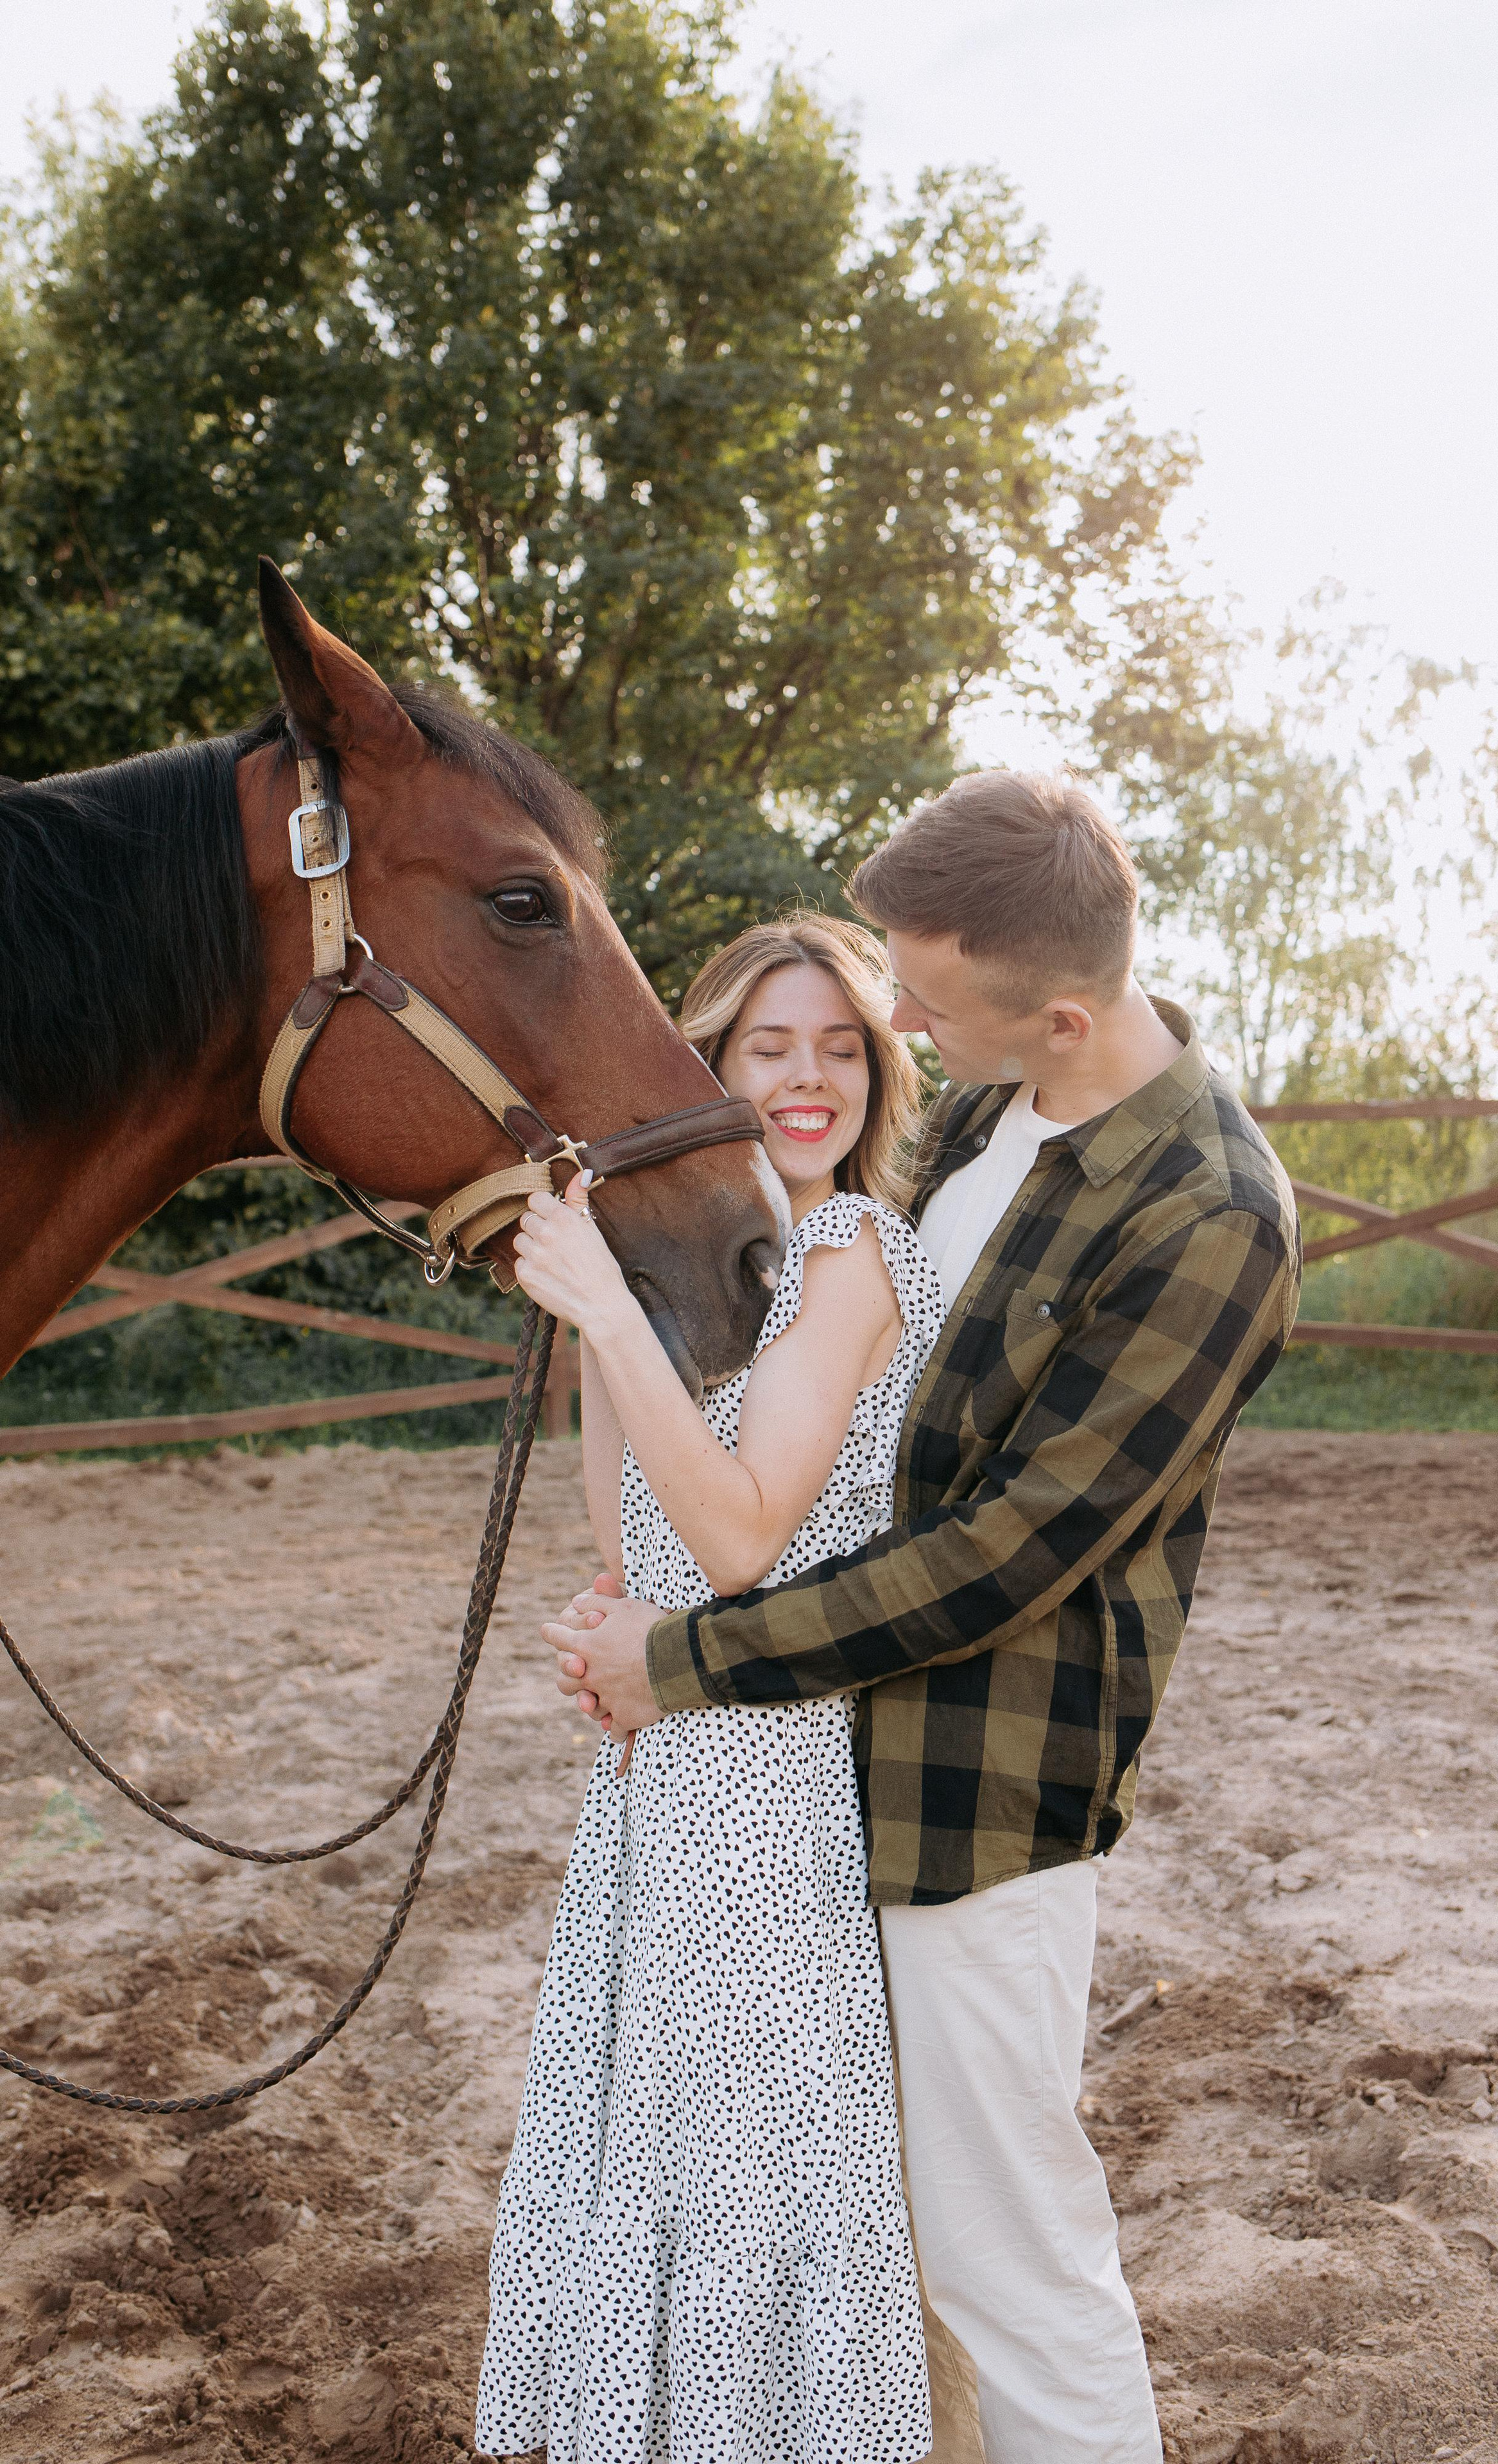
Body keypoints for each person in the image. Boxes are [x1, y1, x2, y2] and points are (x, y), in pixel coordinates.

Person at [547, 771, 1303, 2464]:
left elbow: (1002, 1558)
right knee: (867, 2243)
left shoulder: (1207, 1215)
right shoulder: (984, 1116)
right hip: (816, 1774)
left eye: (923, 999)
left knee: (1004, 2257)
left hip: (978, 1804)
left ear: (1056, 1004)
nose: (894, 1021)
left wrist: (685, 1659)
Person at [475, 914, 946, 2464]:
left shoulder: (849, 1251)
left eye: (836, 1048)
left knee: (751, 2168)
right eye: (766, 1049)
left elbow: (742, 1541)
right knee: (671, 2156)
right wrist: (611, 1306)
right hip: (666, 1767)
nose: (806, 1082)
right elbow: (638, 1528)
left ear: (879, 1071)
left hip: (767, 1770)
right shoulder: (733, 1256)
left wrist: (610, 1319)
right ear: (709, 1070)